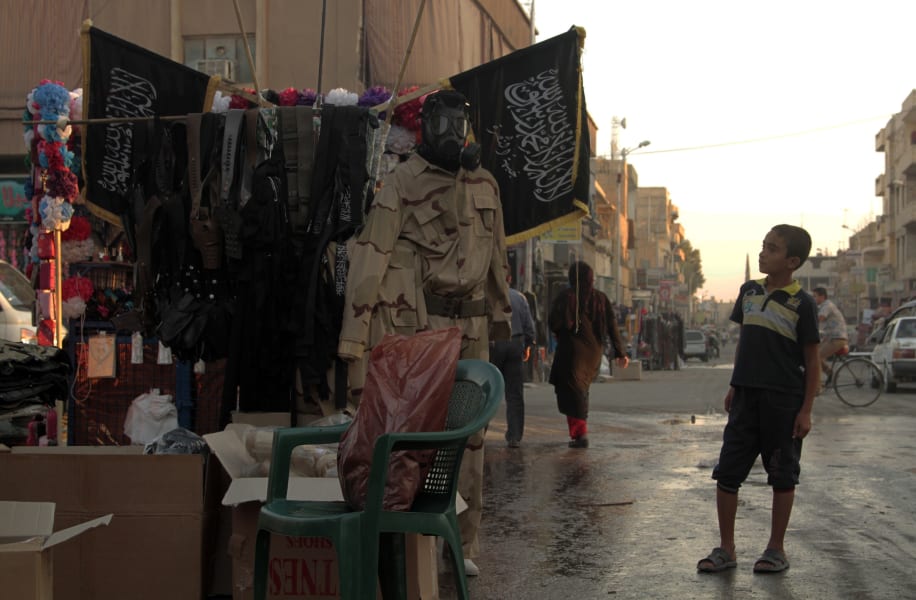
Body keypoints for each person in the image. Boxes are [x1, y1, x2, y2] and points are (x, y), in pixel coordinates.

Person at [337, 89, 512, 576]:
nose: (451, 133)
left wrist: (505, 319)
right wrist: (355, 341)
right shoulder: (402, 183)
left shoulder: (486, 184)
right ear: (424, 126)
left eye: (459, 123)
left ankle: (465, 542)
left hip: (473, 322)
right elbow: (371, 256)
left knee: (473, 439)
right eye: (441, 123)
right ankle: (418, 541)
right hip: (424, 325)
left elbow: (496, 254)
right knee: (422, 434)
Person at [697, 224, 819, 574]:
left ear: (792, 261)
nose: (764, 253)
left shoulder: (802, 303)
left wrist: (806, 410)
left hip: (784, 402)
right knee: (727, 472)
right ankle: (726, 548)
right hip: (746, 398)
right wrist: (735, 385)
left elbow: (812, 361)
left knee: (782, 474)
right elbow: (745, 343)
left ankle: (775, 549)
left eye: (772, 249)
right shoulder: (749, 292)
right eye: (763, 246)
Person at [547, 261, 628, 448]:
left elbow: (554, 323)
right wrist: (620, 353)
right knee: (580, 391)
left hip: (571, 353)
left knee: (573, 392)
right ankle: (578, 434)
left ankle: (580, 435)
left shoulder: (566, 297)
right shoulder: (601, 298)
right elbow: (612, 326)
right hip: (593, 353)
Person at [490, 276, 536, 448]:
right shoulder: (519, 297)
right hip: (515, 343)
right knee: (514, 393)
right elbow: (529, 326)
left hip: (494, 343)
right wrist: (528, 345)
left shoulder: (489, 296)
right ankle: (514, 436)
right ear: (510, 278)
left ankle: (479, 433)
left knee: (488, 391)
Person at [812, 287, 848, 381]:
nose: (813, 298)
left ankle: (817, 385)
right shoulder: (822, 306)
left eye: (815, 296)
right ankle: (829, 372)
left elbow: (819, 319)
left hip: (837, 338)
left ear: (822, 296)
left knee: (816, 358)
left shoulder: (827, 305)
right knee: (812, 354)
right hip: (830, 338)